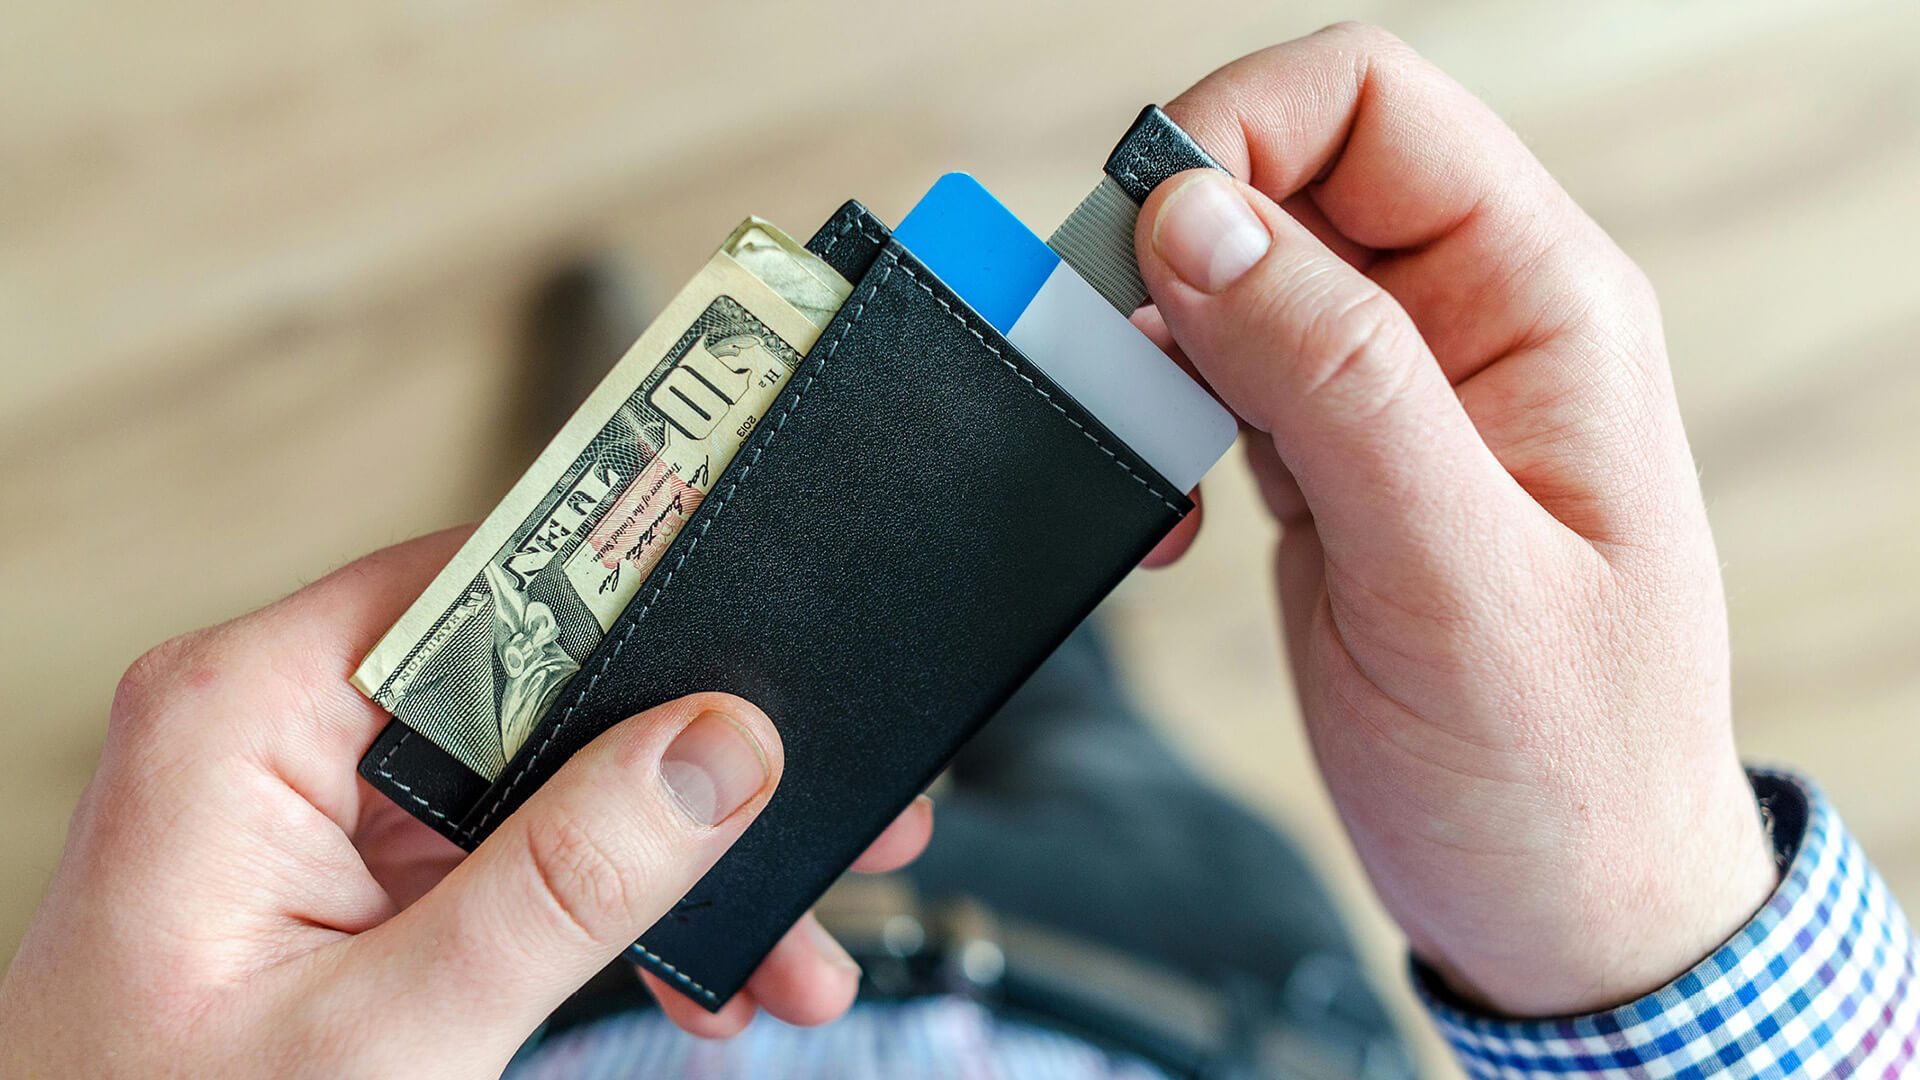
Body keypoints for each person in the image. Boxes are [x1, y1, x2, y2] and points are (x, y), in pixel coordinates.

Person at [2, 23, 1913, 1078]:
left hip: (555, 1005)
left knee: (870, 579)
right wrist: (1639, 931)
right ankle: (976, 525)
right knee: (1029, 641)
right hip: (1199, 985)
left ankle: (836, 483)